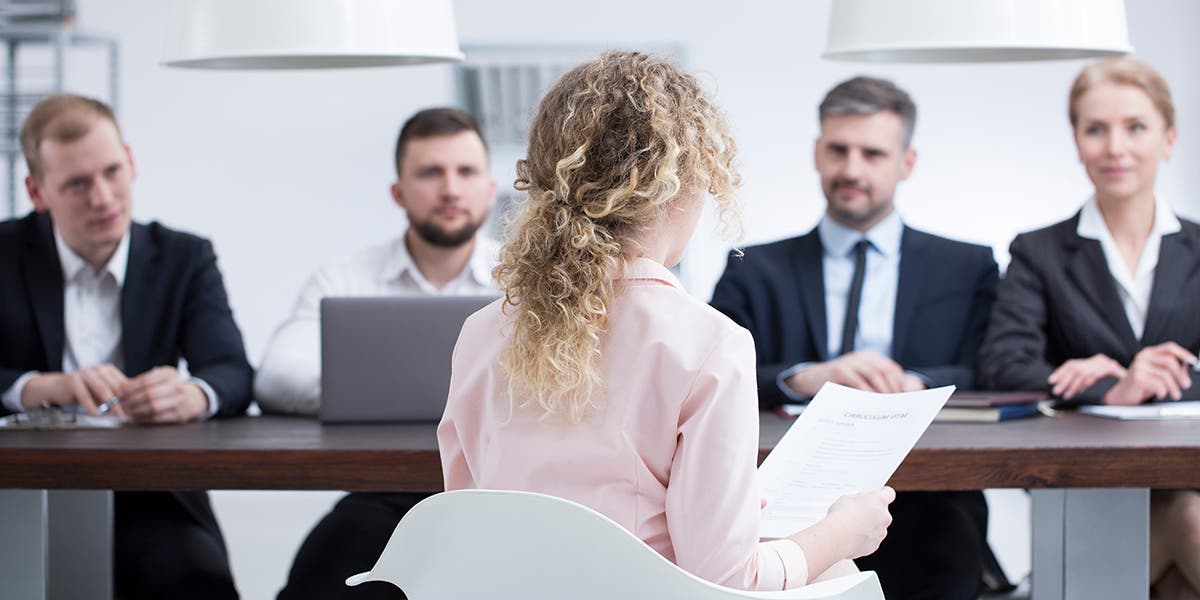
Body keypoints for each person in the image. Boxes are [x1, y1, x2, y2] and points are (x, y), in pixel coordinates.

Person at [439, 51, 895, 591]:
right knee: (840, 570)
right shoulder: (710, 344)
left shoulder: (480, 333)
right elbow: (728, 582)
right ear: (684, 184)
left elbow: (465, 528)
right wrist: (844, 532)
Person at [709, 76, 1002, 599]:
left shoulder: (967, 266)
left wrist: (916, 383)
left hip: (931, 497)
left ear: (906, 163)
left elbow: (991, 366)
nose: (852, 170)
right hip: (784, 502)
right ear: (818, 153)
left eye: (872, 153)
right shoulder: (753, 267)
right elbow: (710, 375)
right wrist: (804, 377)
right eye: (838, 150)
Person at [0, 94, 252, 599]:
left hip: (152, 496)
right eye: (76, 184)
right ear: (37, 191)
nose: (103, 198)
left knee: (197, 583)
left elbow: (231, 370)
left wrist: (193, 395)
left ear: (132, 162)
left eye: (112, 172)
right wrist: (39, 388)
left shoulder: (185, 257)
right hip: (16, 494)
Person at [978, 57, 1200, 599]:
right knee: (1183, 521)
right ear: (1076, 143)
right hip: (1085, 489)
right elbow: (1003, 365)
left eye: (1135, 127)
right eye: (1095, 129)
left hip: (1190, 471)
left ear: (1169, 139)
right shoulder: (1039, 251)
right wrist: (1113, 388)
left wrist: (1141, 380)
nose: (1115, 148)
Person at [268, 107, 498, 600]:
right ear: (398, 192)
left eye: (466, 172)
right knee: (326, 570)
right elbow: (278, 376)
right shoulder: (346, 277)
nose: (451, 189)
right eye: (430, 172)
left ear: (489, 189)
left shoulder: (526, 279)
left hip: (503, 497)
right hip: (385, 494)